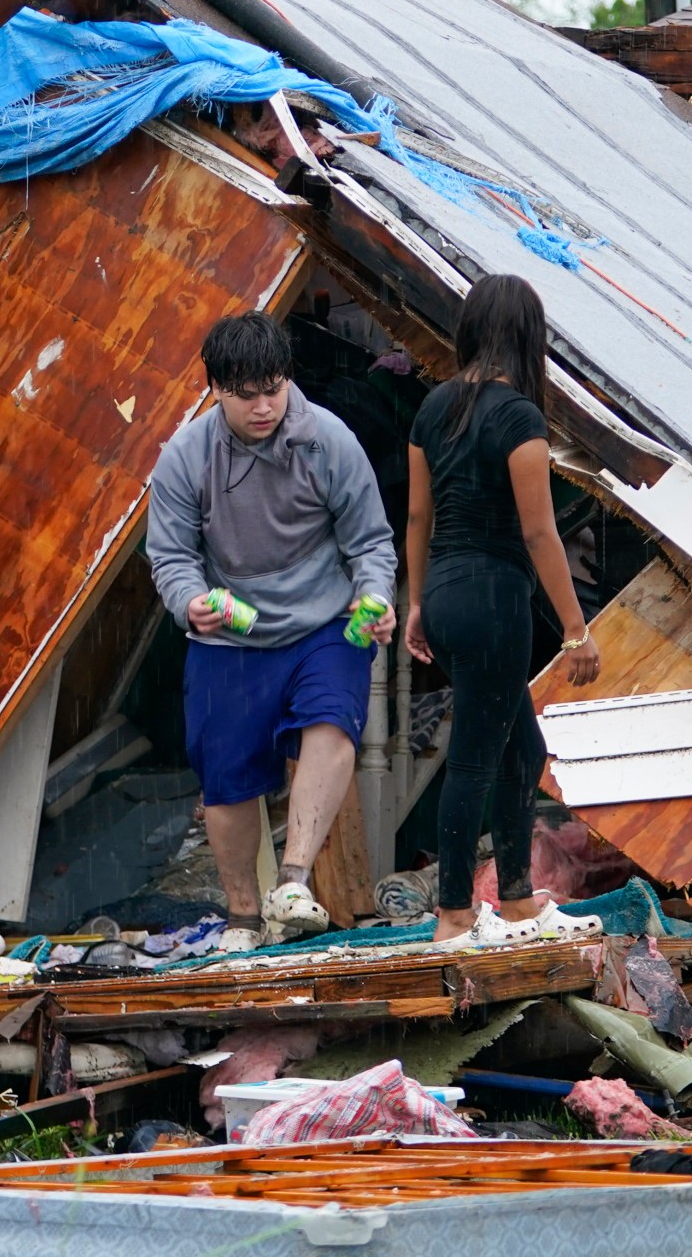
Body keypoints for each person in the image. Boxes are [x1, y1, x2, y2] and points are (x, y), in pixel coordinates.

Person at [149, 313, 398, 954]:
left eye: (274, 388)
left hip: (324, 621)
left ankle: (292, 881)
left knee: (331, 721)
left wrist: (375, 597)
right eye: (247, 393)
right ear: (215, 390)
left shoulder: (329, 441)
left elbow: (371, 541)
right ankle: (241, 917)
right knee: (225, 774)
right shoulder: (185, 457)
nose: (264, 406)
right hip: (229, 630)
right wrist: (189, 602)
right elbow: (171, 556)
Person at [402, 274, 603, 949]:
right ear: (528, 339)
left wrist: (415, 603)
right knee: (474, 760)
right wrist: (577, 631)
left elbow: (418, 516)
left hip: (447, 595)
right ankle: (455, 915)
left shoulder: (432, 409)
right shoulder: (519, 417)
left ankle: (515, 902)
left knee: (523, 749)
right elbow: (541, 533)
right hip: (494, 600)